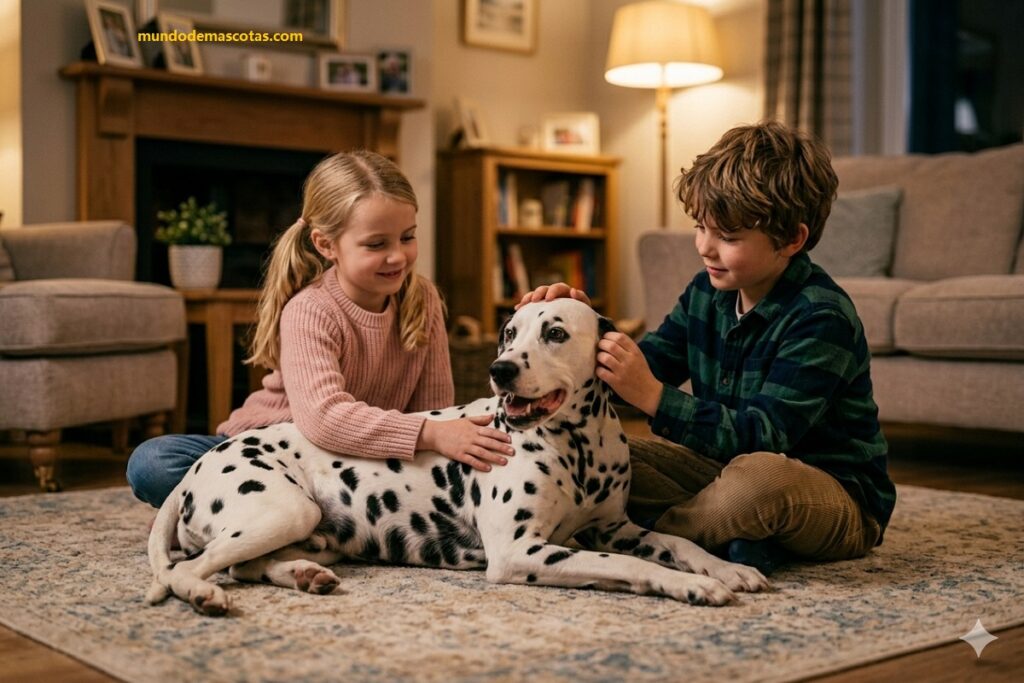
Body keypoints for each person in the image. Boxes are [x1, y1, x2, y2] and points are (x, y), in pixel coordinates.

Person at [519, 121, 896, 575]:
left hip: (829, 494)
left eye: (729, 238)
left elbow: (764, 437)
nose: (705, 247)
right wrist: (580, 329)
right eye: (701, 227)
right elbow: (642, 367)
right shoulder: (706, 291)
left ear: (792, 240)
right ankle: (734, 538)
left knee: (759, 481)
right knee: (600, 451)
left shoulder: (821, 316)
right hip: (716, 468)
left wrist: (656, 397)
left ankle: (657, 535)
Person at [128, 151, 514, 509]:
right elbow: (324, 419)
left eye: (408, 237)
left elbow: (435, 409)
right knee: (152, 462)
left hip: (359, 460)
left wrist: (442, 437)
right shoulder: (310, 310)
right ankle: (255, 509)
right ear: (326, 244)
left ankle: (242, 514)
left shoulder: (422, 299)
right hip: (269, 450)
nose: (398, 256)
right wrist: (430, 434)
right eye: (376, 244)